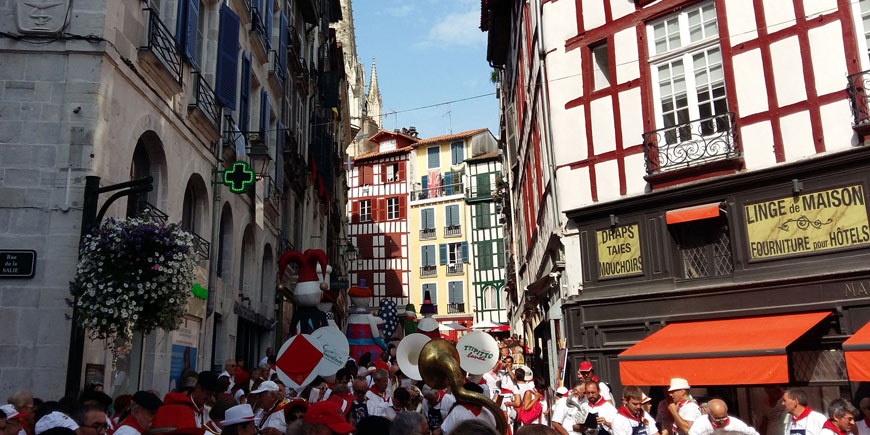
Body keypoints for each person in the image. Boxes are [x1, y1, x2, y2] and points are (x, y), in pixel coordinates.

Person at [687, 399, 757, 435]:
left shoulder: (736, 423)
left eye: (724, 417)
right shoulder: (701, 422)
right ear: (709, 415)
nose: (722, 421)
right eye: (717, 419)